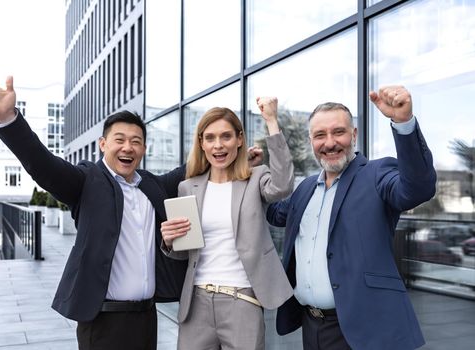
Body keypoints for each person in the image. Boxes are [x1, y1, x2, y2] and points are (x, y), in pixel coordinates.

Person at [0, 66, 191, 350]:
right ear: (103, 144)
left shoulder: (153, 186)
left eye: (136, 142)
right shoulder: (87, 181)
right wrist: (9, 119)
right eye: (120, 140)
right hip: (103, 321)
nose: (128, 147)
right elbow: (42, 164)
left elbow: (190, 170)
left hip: (147, 318)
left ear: (144, 149)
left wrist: (247, 155)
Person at [266, 86, 436, 350]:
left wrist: (403, 123)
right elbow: (274, 212)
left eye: (339, 132)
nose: (330, 142)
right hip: (312, 326)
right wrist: (249, 174)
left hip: (365, 330)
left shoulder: (377, 174)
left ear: (354, 135)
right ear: (311, 141)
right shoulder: (305, 189)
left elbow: (418, 188)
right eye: (320, 135)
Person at [160, 98, 295, 349]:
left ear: (240, 139)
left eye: (226, 136)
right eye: (210, 138)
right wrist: (169, 241)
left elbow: (283, 185)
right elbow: (185, 251)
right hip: (196, 304)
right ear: (201, 143)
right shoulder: (188, 187)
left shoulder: (256, 178)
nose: (218, 145)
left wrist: (272, 122)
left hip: (242, 300)